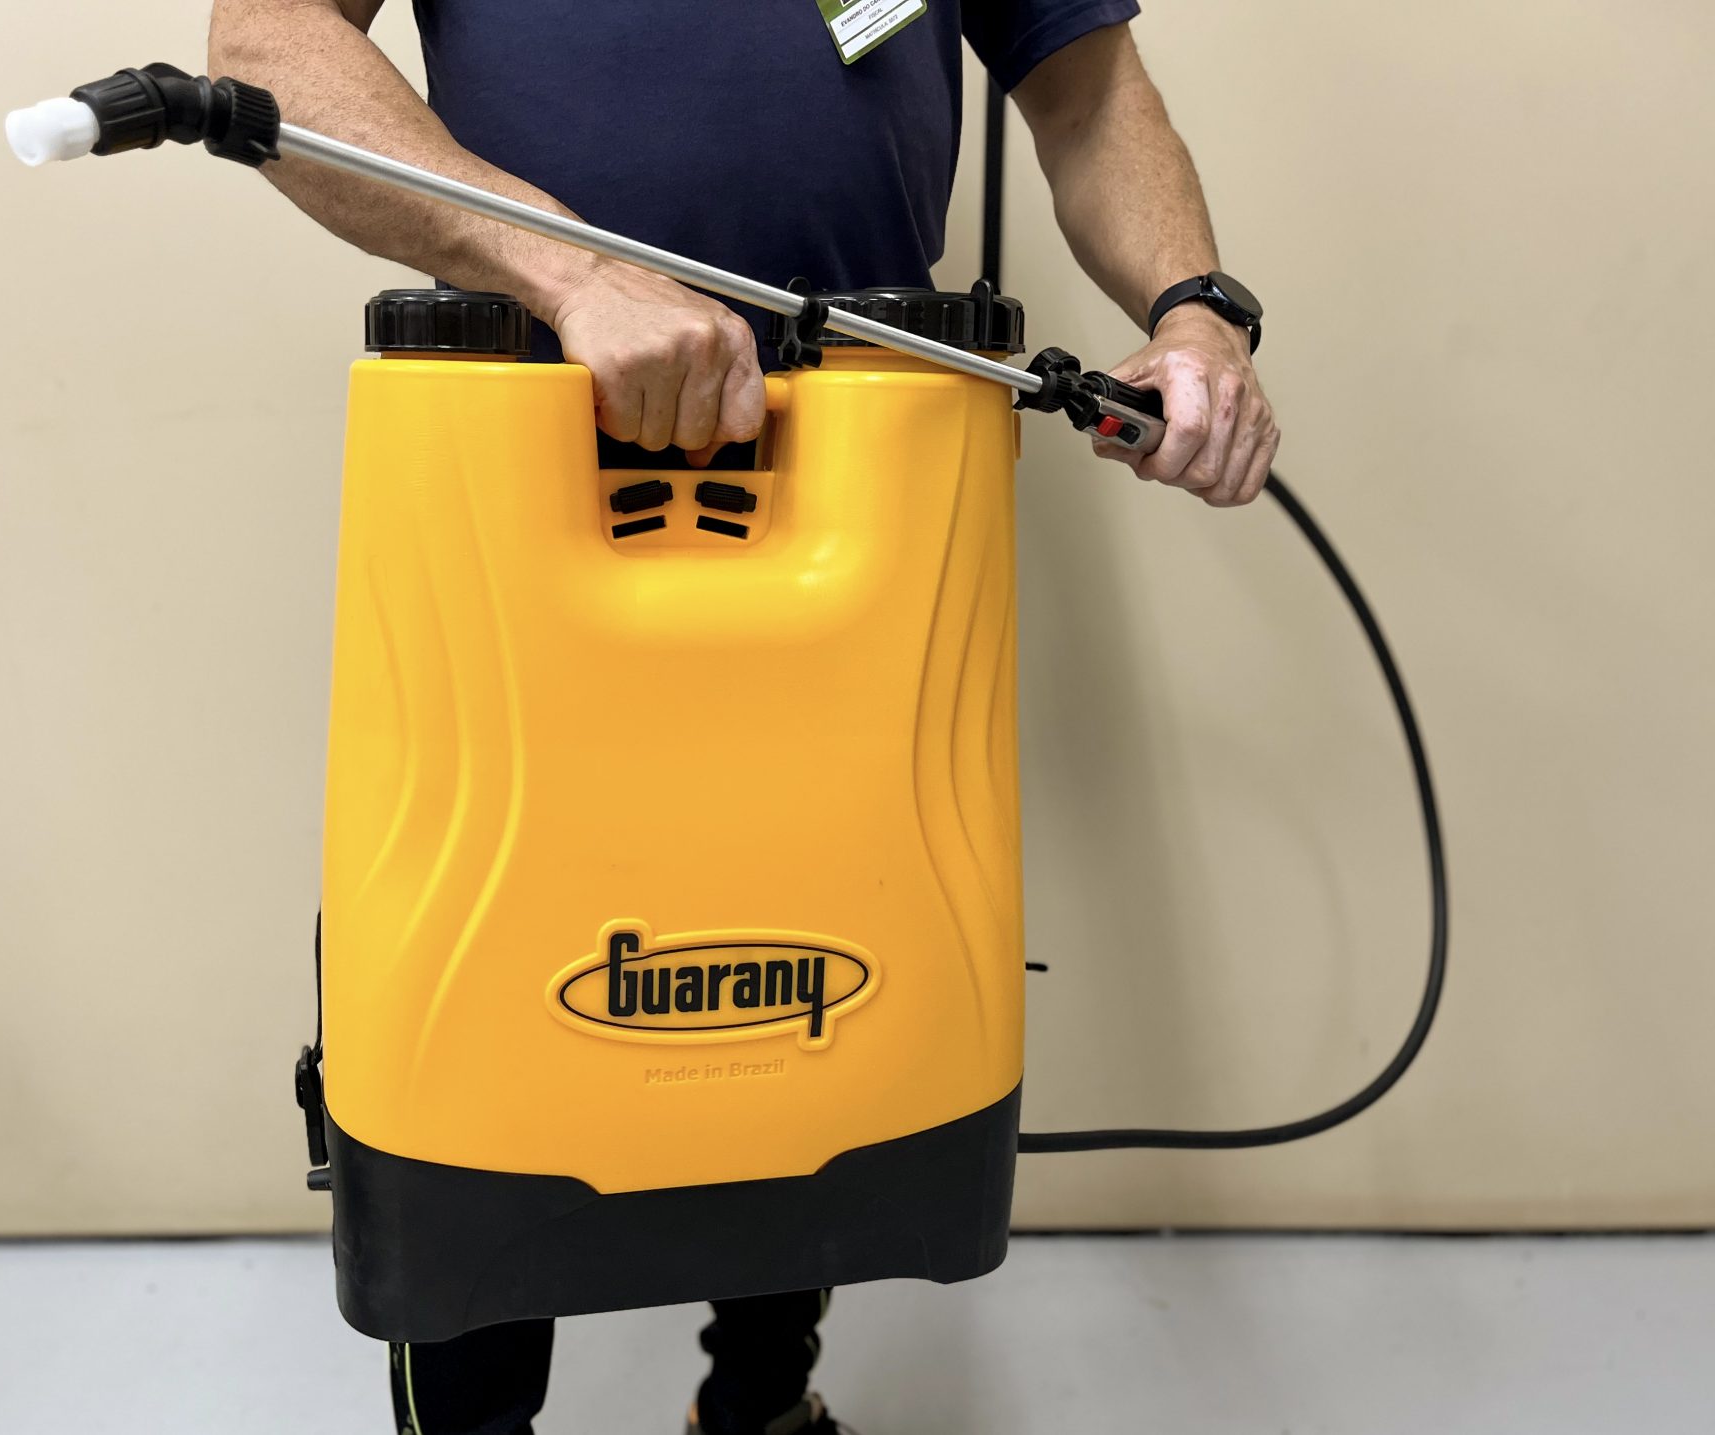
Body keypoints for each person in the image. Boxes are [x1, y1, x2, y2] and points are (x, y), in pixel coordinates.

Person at [207, 2, 1280, 1430]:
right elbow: (267, 46)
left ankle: (762, 1404)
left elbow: (1087, 98)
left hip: (864, 456)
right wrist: (576, 272)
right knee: (489, 994)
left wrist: (1195, 313)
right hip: (522, 432)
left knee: (815, 960)